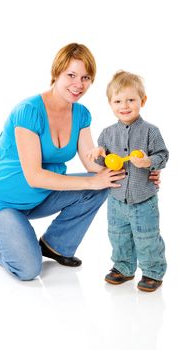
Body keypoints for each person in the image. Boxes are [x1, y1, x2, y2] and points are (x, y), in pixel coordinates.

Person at [0, 44, 160, 282]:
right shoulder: (28, 111)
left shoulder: (81, 114)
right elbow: (34, 177)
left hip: (41, 196)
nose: (79, 84)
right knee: (28, 270)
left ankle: (56, 245)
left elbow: (94, 166)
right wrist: (93, 182)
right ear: (56, 73)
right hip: (1, 200)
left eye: (86, 78)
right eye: (71, 75)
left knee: (104, 183)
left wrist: (138, 171)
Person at [87, 70, 168, 292]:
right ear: (110, 104)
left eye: (131, 100)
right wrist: (98, 153)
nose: (124, 105)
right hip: (116, 198)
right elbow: (105, 163)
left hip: (143, 198)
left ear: (142, 101)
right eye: (118, 101)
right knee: (118, 234)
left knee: (147, 236)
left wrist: (148, 162)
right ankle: (123, 268)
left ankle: (152, 271)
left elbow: (163, 155)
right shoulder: (106, 134)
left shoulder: (151, 131)